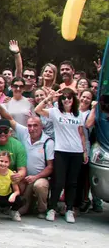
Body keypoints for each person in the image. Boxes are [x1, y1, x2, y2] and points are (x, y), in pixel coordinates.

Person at [35, 88, 86, 223]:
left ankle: (69, 209)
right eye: (64, 98)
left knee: (72, 182)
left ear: (73, 99)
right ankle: (51, 208)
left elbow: (81, 133)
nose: (67, 100)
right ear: (60, 101)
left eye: (69, 98)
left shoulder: (78, 114)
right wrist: (49, 98)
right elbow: (38, 109)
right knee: (58, 182)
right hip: (61, 151)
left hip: (76, 151)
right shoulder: (56, 112)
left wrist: (84, 151)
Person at [0, 151, 24, 221]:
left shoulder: (11, 174)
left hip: (7, 196)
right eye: (1, 161)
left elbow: (17, 191)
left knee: (20, 199)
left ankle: (13, 211)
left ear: (9, 163)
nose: (3, 164)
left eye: (6, 162)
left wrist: (13, 195)